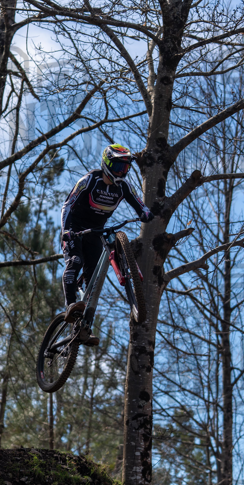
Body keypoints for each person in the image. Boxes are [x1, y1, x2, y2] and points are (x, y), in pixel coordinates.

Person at [60, 144, 154, 344]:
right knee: (75, 261)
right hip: (75, 230)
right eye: (118, 167)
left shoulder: (124, 187)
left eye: (125, 168)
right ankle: (70, 306)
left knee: (93, 281)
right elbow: (67, 205)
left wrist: (145, 213)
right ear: (107, 164)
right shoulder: (89, 181)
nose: (122, 172)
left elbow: (139, 203)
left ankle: (84, 328)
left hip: (96, 232)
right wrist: (66, 231)